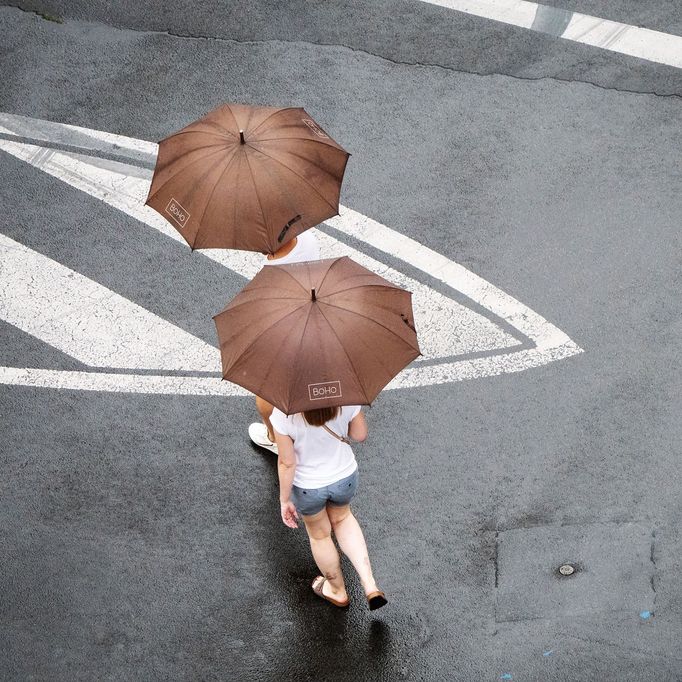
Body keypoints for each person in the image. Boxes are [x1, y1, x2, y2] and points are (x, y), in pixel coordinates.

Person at [270, 404, 388, 610]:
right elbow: (360, 435)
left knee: (320, 536)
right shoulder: (345, 396)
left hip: (308, 486)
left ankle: (336, 589)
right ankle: (370, 584)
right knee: (343, 520)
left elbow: (287, 463)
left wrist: (284, 499)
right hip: (344, 477)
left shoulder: (283, 413)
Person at [248, 230, 321, 455]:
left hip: (285, 331)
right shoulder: (308, 239)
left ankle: (274, 437)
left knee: (266, 392)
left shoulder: (272, 271)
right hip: (313, 319)